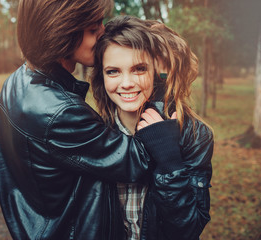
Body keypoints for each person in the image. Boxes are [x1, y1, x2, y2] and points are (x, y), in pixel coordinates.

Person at [0, 1, 186, 240]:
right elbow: (138, 158)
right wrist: (160, 80)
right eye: (93, 30)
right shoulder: (60, 111)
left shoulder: (18, 81)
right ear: (63, 31)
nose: (102, 33)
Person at [90, 15, 214, 240]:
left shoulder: (195, 135)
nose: (126, 83)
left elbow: (188, 229)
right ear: (101, 77)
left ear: (156, 73)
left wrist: (169, 162)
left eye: (139, 69)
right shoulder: (93, 133)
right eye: (113, 71)